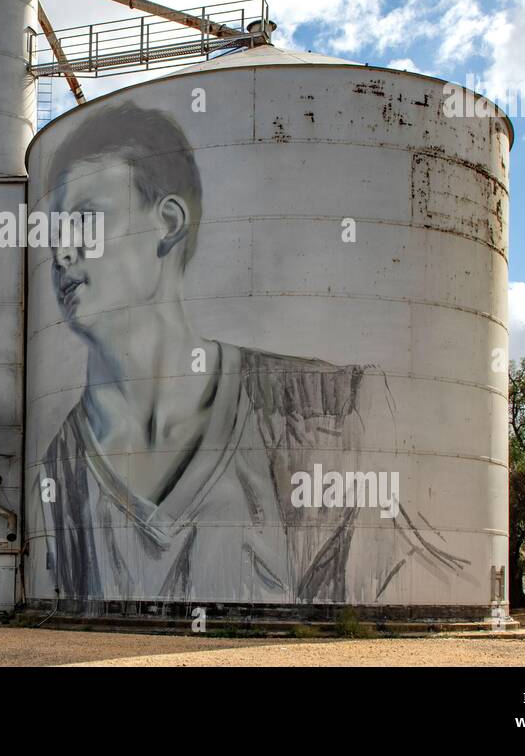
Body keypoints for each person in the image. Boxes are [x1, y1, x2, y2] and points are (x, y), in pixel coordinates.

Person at [34, 104, 471, 605]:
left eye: (85, 222)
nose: (61, 253)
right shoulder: (55, 475)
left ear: (168, 223)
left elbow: (417, 591)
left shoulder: (328, 412)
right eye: (53, 235)